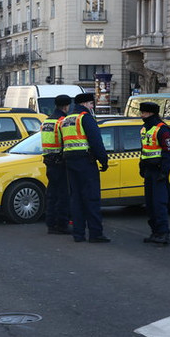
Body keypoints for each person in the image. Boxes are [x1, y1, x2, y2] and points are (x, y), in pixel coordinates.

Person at [61, 93, 110, 243]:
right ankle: (95, 234)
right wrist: (103, 160)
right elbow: (96, 142)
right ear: (85, 104)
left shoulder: (67, 119)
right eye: (91, 104)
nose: (92, 107)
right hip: (86, 162)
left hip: (70, 162)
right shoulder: (85, 118)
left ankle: (78, 234)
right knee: (91, 198)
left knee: (76, 199)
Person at [139, 102, 170, 245]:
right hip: (148, 170)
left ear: (150, 113)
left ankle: (163, 233)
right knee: (149, 203)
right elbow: (144, 150)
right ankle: (155, 232)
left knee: (159, 203)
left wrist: (164, 171)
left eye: (143, 113)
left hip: (159, 171)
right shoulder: (144, 129)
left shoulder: (162, 129)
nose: (141, 115)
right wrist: (141, 166)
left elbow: (169, 151)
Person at [41, 94, 72, 234]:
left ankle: (50, 224)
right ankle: (61, 224)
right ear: (66, 106)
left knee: (52, 194)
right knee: (62, 195)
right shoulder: (62, 121)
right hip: (60, 162)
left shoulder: (46, 121)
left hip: (49, 161)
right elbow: (66, 141)